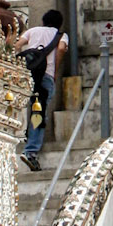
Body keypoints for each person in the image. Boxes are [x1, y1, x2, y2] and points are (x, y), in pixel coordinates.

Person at [16, 9, 68, 171]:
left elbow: (17, 44)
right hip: (46, 76)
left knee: (30, 107)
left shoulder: (33, 31)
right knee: (39, 111)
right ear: (59, 23)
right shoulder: (61, 36)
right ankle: (31, 151)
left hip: (28, 75)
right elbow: (61, 49)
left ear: (44, 21)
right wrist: (55, 69)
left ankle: (27, 137)